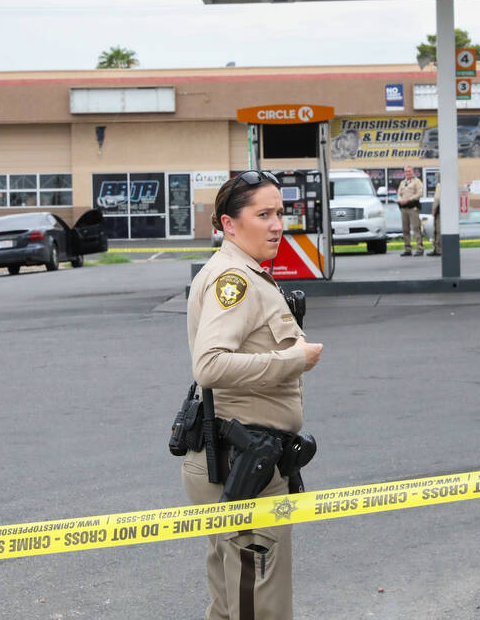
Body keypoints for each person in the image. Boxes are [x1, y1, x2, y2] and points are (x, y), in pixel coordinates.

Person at [183, 170, 323, 620]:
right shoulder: (235, 281)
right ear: (229, 224)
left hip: (242, 456)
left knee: (233, 601)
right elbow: (210, 366)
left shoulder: (244, 274)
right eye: (263, 214)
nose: (277, 225)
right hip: (241, 461)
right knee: (256, 603)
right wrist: (294, 360)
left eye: (280, 213)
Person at [396, 166, 425, 256]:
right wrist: (400, 200)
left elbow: (420, 193)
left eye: (409, 171)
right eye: (406, 171)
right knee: (405, 229)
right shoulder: (402, 183)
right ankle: (407, 249)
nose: (407, 173)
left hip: (413, 208)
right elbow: (399, 194)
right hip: (404, 209)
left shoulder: (417, 182)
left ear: (413, 172)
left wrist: (408, 200)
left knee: (416, 228)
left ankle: (420, 248)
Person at [427, 181, 442, 256]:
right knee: (436, 231)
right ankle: (436, 248)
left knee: (438, 231)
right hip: (440, 211)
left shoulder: (440, 185)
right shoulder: (440, 185)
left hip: (440, 211)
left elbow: (437, 198)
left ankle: (438, 249)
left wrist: (434, 209)